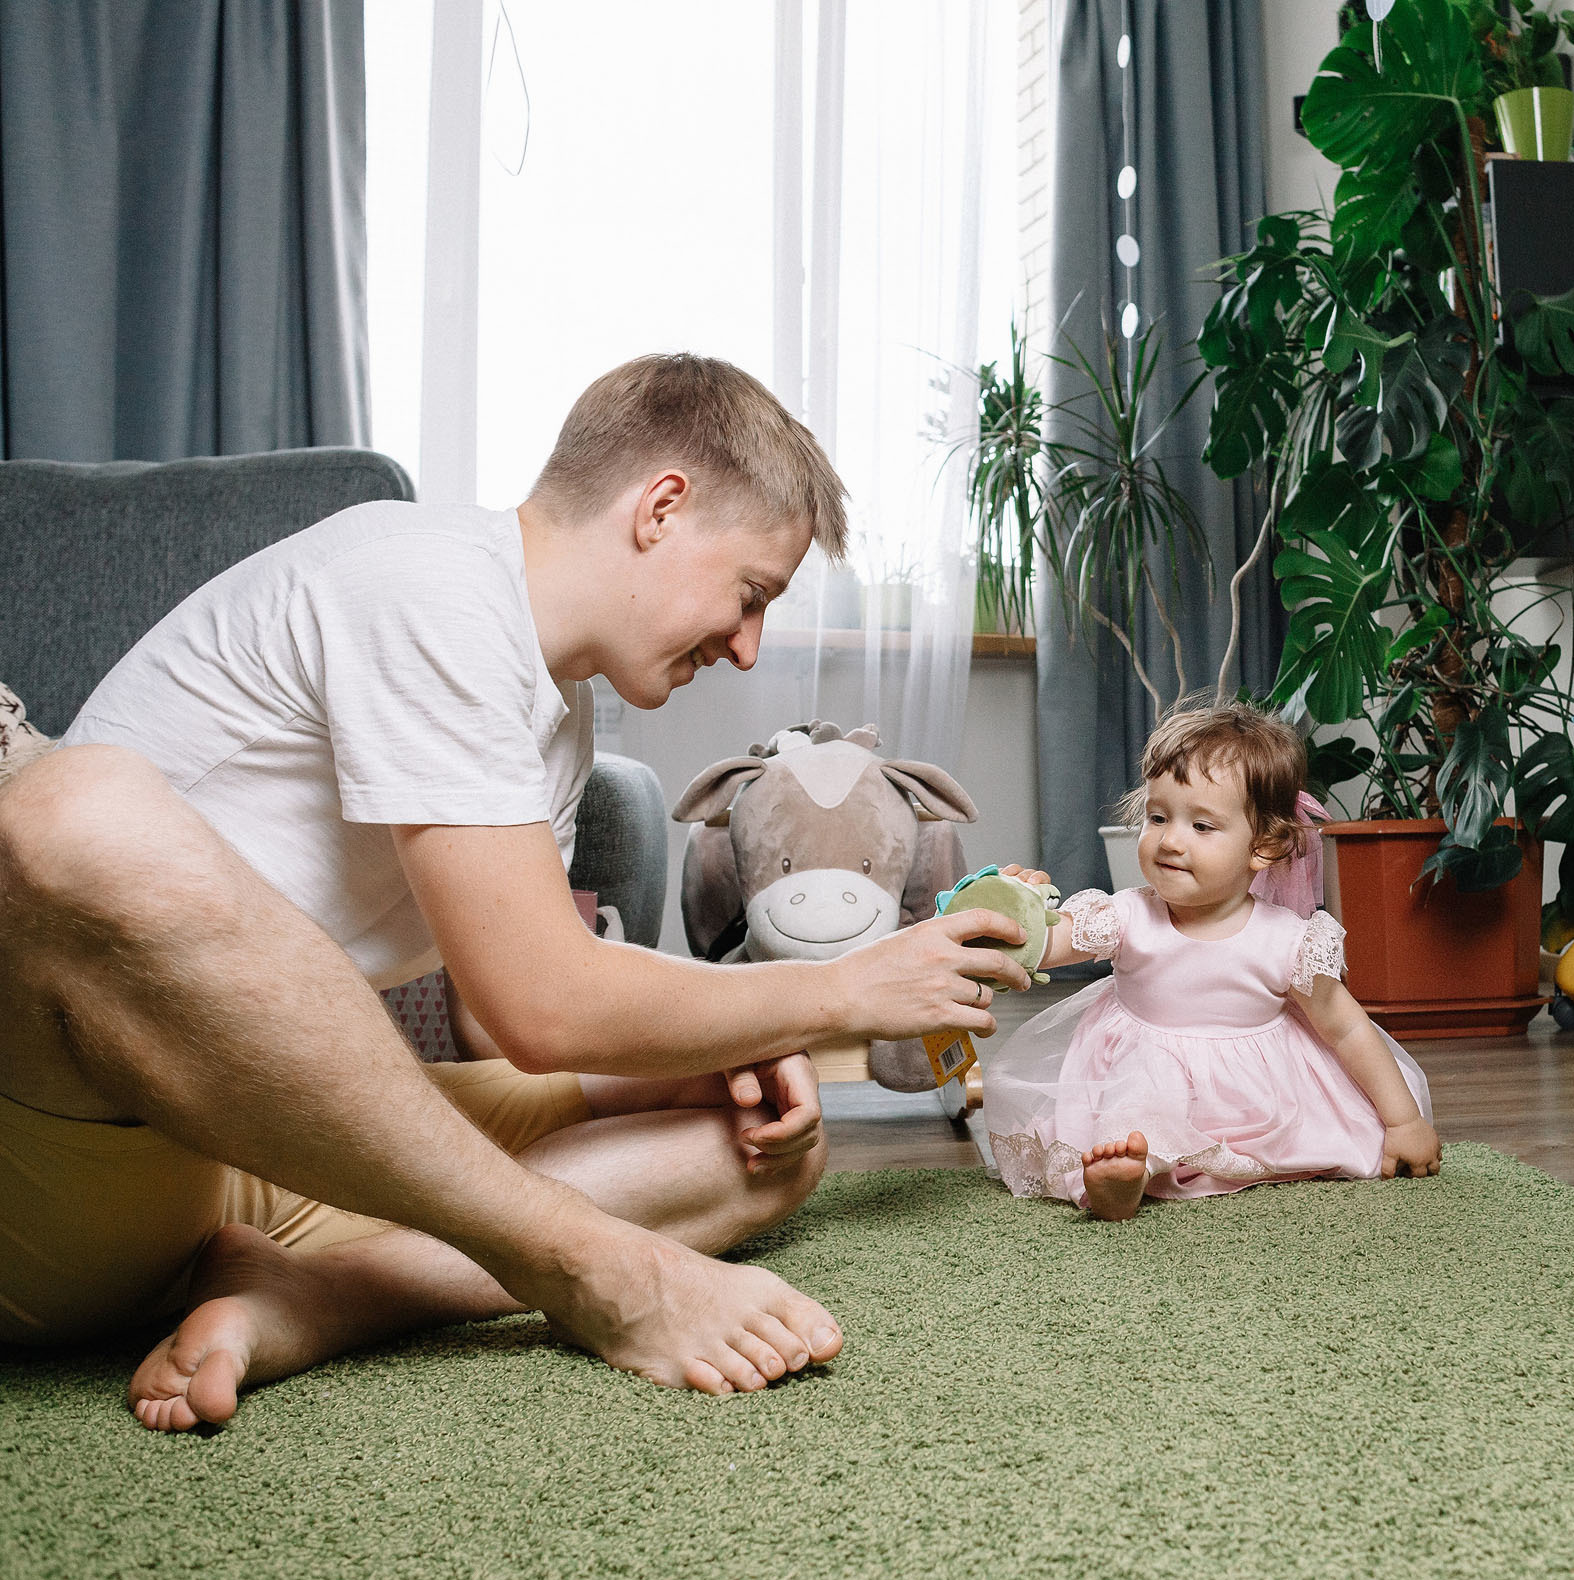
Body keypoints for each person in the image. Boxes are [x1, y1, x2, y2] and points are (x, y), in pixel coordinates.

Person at [0, 354, 1034, 1430]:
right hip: (66, 1177)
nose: (745, 646)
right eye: (750, 595)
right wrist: (840, 992)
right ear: (662, 508)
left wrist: (728, 1044)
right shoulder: (430, 586)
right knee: (79, 811)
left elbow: (499, 1012)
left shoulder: (557, 709)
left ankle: (324, 1295)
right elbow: (545, 1007)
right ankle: (590, 1267)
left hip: (242, 1144)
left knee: (765, 1138)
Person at [980, 702, 1442, 1220]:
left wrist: (1403, 1122)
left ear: (1263, 845)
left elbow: (1348, 1031)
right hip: (1146, 1069)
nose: (1170, 841)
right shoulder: (1129, 915)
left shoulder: (1287, 941)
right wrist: (1012, 912)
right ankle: (1125, 1173)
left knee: (1340, 1129)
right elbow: (1054, 939)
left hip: (1255, 1092)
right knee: (1137, 1107)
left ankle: (1183, 1158)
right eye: (1158, 817)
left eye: (1202, 826)